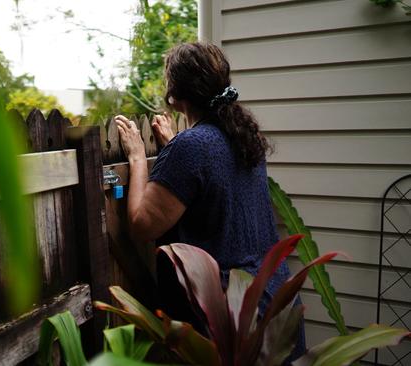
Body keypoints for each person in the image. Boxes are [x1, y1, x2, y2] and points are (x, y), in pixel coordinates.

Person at [114, 42, 305, 360]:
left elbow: (141, 225)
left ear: (174, 95)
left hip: (231, 318)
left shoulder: (191, 147)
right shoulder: (243, 136)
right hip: (275, 304)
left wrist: (136, 158)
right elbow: (213, 184)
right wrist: (174, 145)